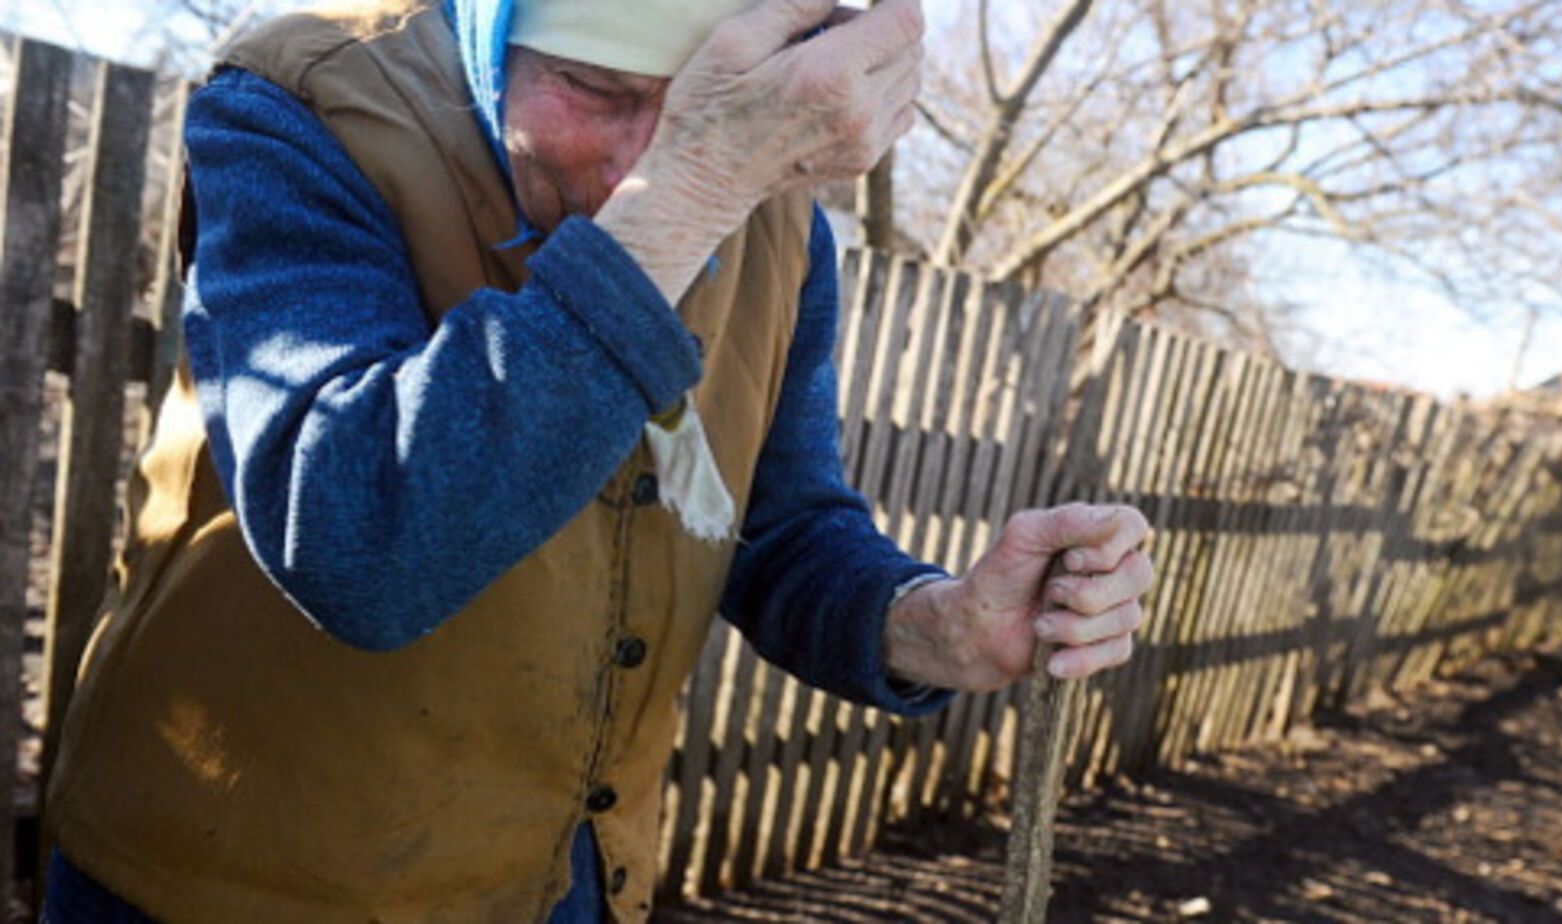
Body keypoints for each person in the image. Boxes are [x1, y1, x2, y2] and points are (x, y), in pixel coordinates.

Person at [40, 0, 1155, 921]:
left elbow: (772, 523)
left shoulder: (775, 217)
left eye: (705, 120)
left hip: (558, 882)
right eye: (604, 95)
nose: (641, 164)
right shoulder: (309, 103)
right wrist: (696, 190)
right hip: (225, 877)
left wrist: (936, 624)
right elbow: (355, 542)